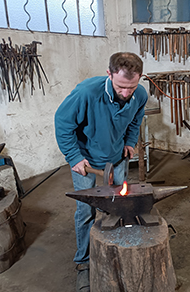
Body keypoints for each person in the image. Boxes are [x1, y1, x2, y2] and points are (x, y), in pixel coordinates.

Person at [54, 52, 148, 291]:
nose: (126, 94)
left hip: (118, 158)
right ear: (109, 74)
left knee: (119, 204)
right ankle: (83, 262)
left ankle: (115, 250)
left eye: (132, 87)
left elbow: (135, 120)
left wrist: (130, 141)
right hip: (88, 163)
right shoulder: (87, 93)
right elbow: (63, 123)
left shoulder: (140, 95)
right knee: (86, 211)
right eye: (121, 87)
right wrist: (74, 157)